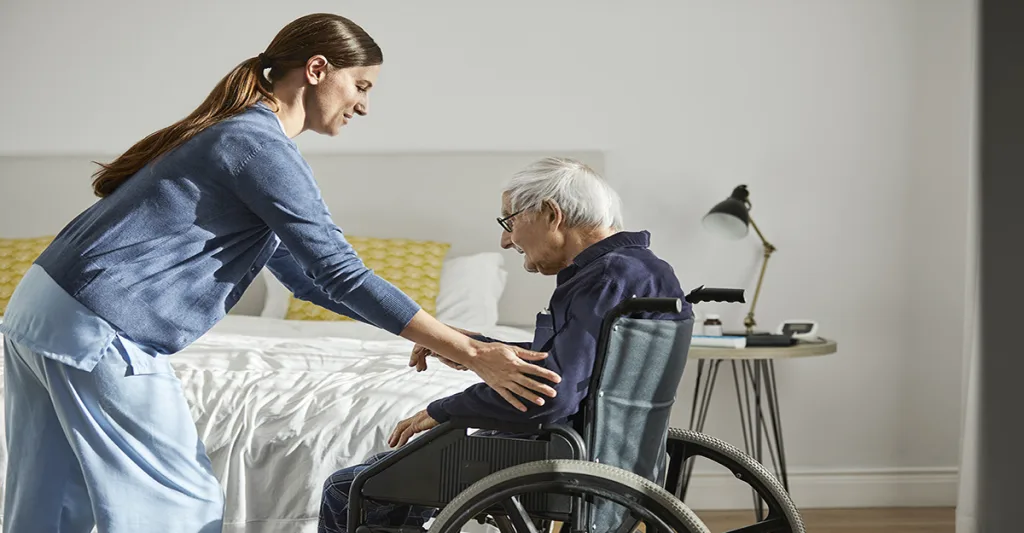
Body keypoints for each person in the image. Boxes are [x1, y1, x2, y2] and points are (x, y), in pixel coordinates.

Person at [0, 13, 561, 533]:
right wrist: (471, 354)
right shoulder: (256, 143)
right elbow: (339, 271)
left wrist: (452, 337)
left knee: (49, 503)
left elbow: (307, 280)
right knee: (177, 504)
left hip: (39, 313)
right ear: (318, 70)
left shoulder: (235, 136)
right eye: (361, 86)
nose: (364, 106)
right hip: (99, 326)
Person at [318, 157, 693, 533]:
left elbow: (549, 393)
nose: (504, 239)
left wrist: (444, 410)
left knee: (350, 488)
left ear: (550, 213)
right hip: (599, 446)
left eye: (509, 221)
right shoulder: (640, 270)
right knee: (398, 479)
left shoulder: (606, 276)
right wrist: (471, 345)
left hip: (553, 450)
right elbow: (584, 358)